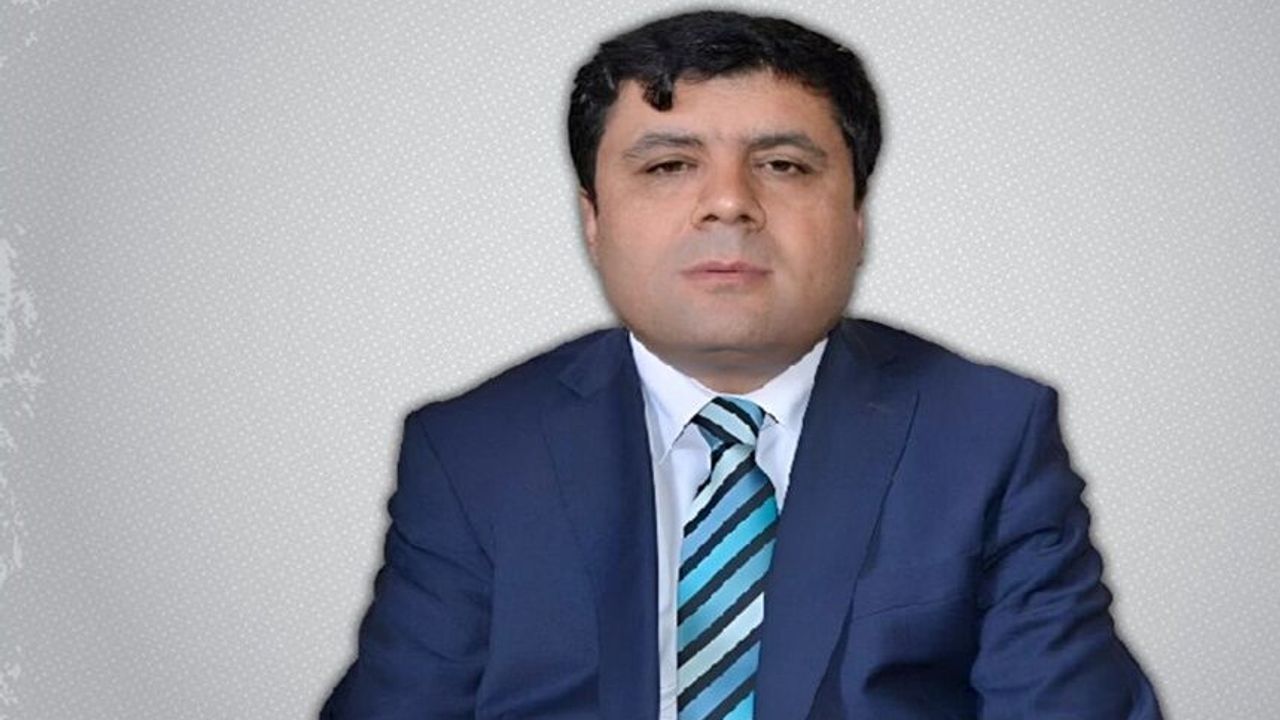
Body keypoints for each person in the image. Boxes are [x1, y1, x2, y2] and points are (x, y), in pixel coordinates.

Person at [322, 10, 1162, 719]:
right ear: (593, 220)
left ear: (857, 216)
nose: (729, 202)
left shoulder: (988, 435)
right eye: (669, 165)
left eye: (783, 165)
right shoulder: (471, 451)